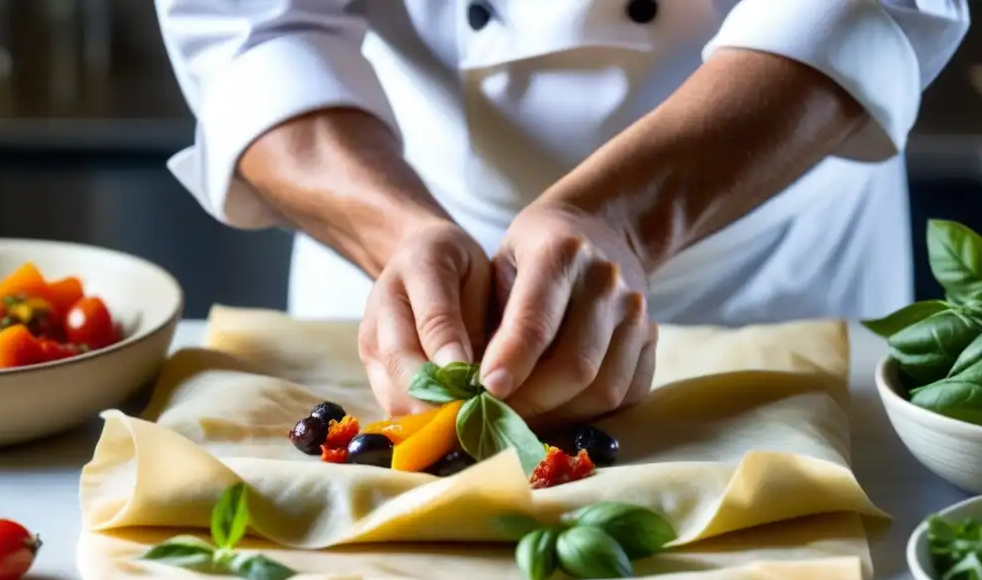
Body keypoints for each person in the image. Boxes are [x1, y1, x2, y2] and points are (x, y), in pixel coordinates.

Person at [155, 0, 969, 422]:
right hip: (401, 220)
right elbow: (251, 29)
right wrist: (399, 233)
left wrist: (624, 216)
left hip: (771, 251)